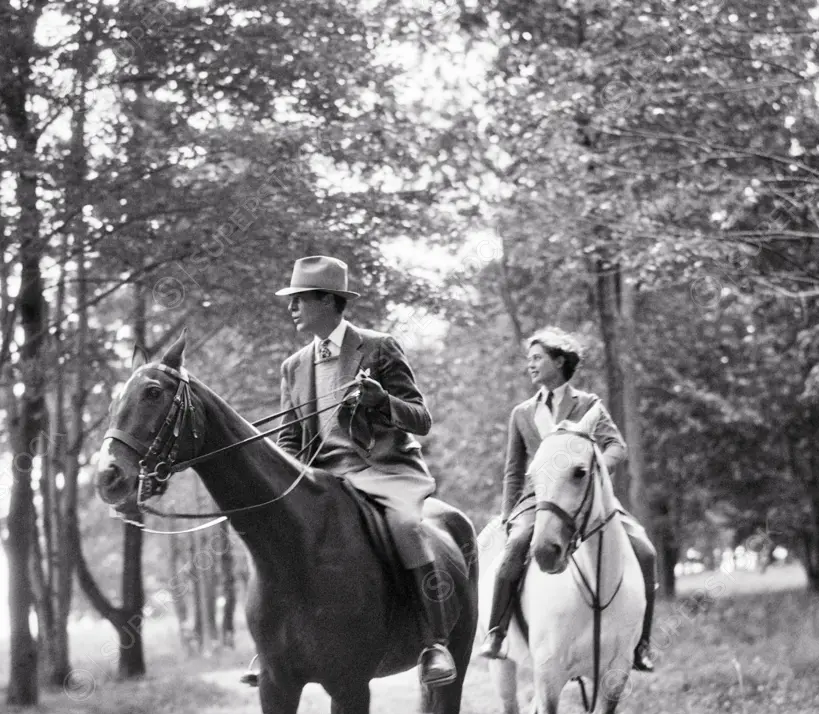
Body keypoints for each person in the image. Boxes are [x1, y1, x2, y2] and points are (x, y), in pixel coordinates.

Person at [273, 255, 456, 688]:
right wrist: (287, 484)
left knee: (407, 526)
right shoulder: (293, 366)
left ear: (328, 300)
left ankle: (435, 642)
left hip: (383, 471)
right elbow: (289, 441)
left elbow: (421, 418)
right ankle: (275, 643)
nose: (292, 308)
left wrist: (381, 403)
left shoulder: (379, 347)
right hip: (322, 479)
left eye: (300, 299)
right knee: (276, 531)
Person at [479, 326, 656, 671]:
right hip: (538, 502)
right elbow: (514, 470)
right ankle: (497, 633)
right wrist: (507, 515)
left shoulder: (588, 405)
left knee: (646, 551)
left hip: (587, 497)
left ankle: (641, 644)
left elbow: (616, 446)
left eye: (537, 358)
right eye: (528, 360)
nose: (530, 366)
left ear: (559, 361)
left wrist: (593, 473)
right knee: (515, 547)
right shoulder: (522, 413)